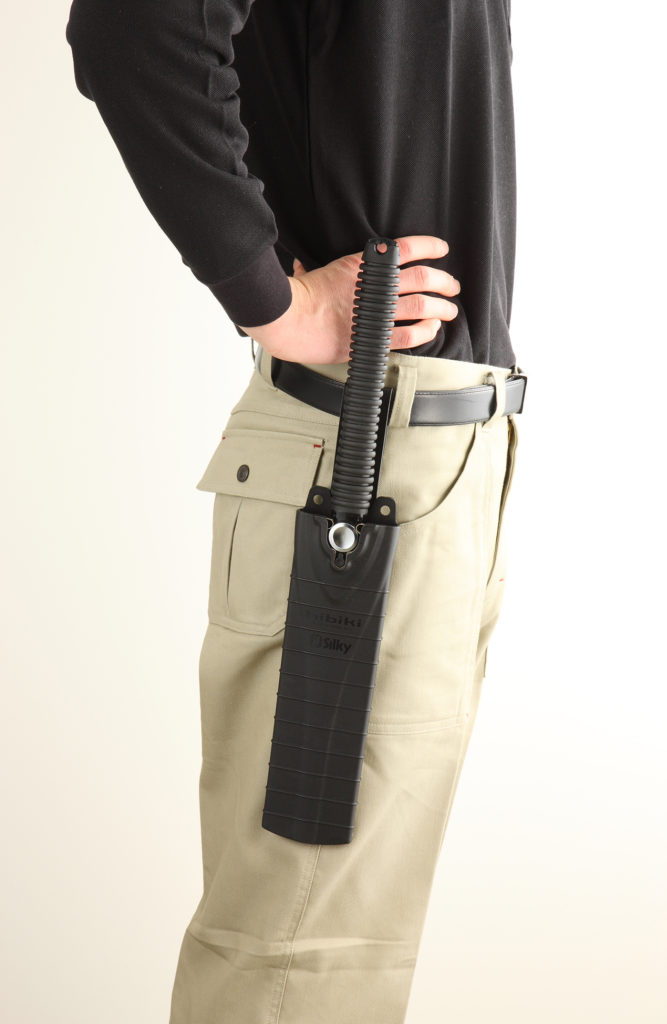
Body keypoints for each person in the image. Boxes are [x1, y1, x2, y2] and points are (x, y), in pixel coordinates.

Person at [65, 2, 526, 1021]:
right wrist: (275, 301)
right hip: (363, 456)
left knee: (346, 940)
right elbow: (133, 27)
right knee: (299, 952)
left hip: (439, 448)